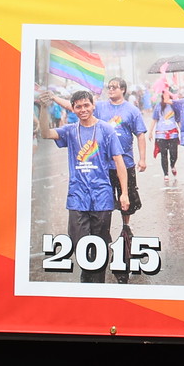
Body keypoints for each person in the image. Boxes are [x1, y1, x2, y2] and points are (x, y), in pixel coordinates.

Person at [37, 87, 128, 284]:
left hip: (102, 196)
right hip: (77, 196)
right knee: (79, 243)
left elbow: (119, 162)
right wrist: (44, 109)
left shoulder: (106, 129)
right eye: (78, 107)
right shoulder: (70, 130)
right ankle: (88, 280)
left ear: (93, 106)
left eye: (86, 105)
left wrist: (124, 193)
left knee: (100, 245)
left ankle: (96, 287)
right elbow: (45, 133)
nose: (83, 109)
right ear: (73, 109)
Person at [91, 77, 148, 249]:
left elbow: (140, 134)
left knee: (126, 197)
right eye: (109, 87)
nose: (111, 90)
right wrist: (55, 99)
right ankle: (104, 231)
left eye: (114, 87)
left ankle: (125, 226)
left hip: (125, 163)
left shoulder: (131, 110)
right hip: (103, 163)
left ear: (123, 89)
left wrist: (143, 158)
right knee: (105, 199)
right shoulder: (99, 107)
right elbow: (79, 108)